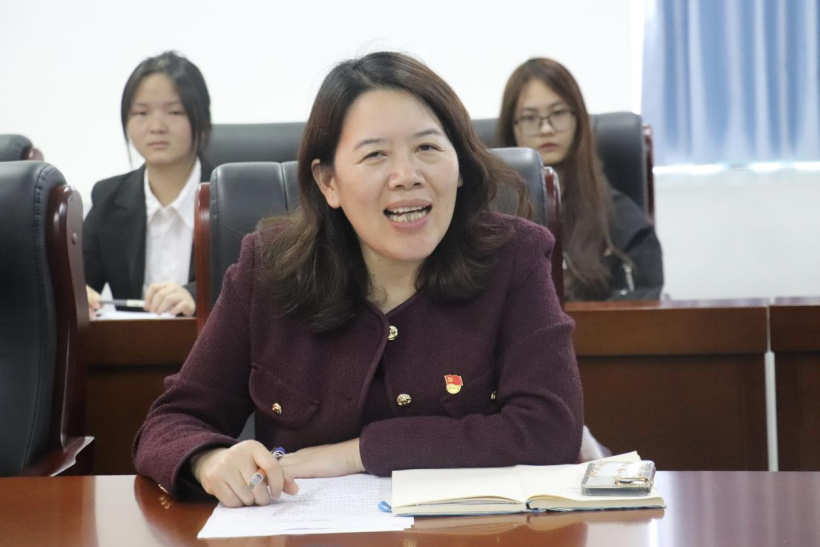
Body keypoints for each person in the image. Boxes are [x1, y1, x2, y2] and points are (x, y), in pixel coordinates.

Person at [133, 51, 583, 506]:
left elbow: (550, 430)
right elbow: (171, 423)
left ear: (461, 165)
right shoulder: (269, 269)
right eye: (375, 155)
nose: (406, 176)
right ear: (329, 182)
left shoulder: (514, 257)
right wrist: (209, 460)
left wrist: (359, 453)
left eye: (427, 148)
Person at [497, 58, 664, 301]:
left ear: (579, 120)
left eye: (558, 113)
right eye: (530, 118)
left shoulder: (619, 216)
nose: (546, 129)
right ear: (511, 128)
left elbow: (643, 301)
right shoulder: (490, 219)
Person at [83, 51, 213, 318]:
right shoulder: (108, 199)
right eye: (141, 112)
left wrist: (194, 296)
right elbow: (76, 282)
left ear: (201, 121)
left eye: (174, 111)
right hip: (133, 343)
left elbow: (257, 289)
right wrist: (76, 294)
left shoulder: (232, 199)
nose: (156, 127)